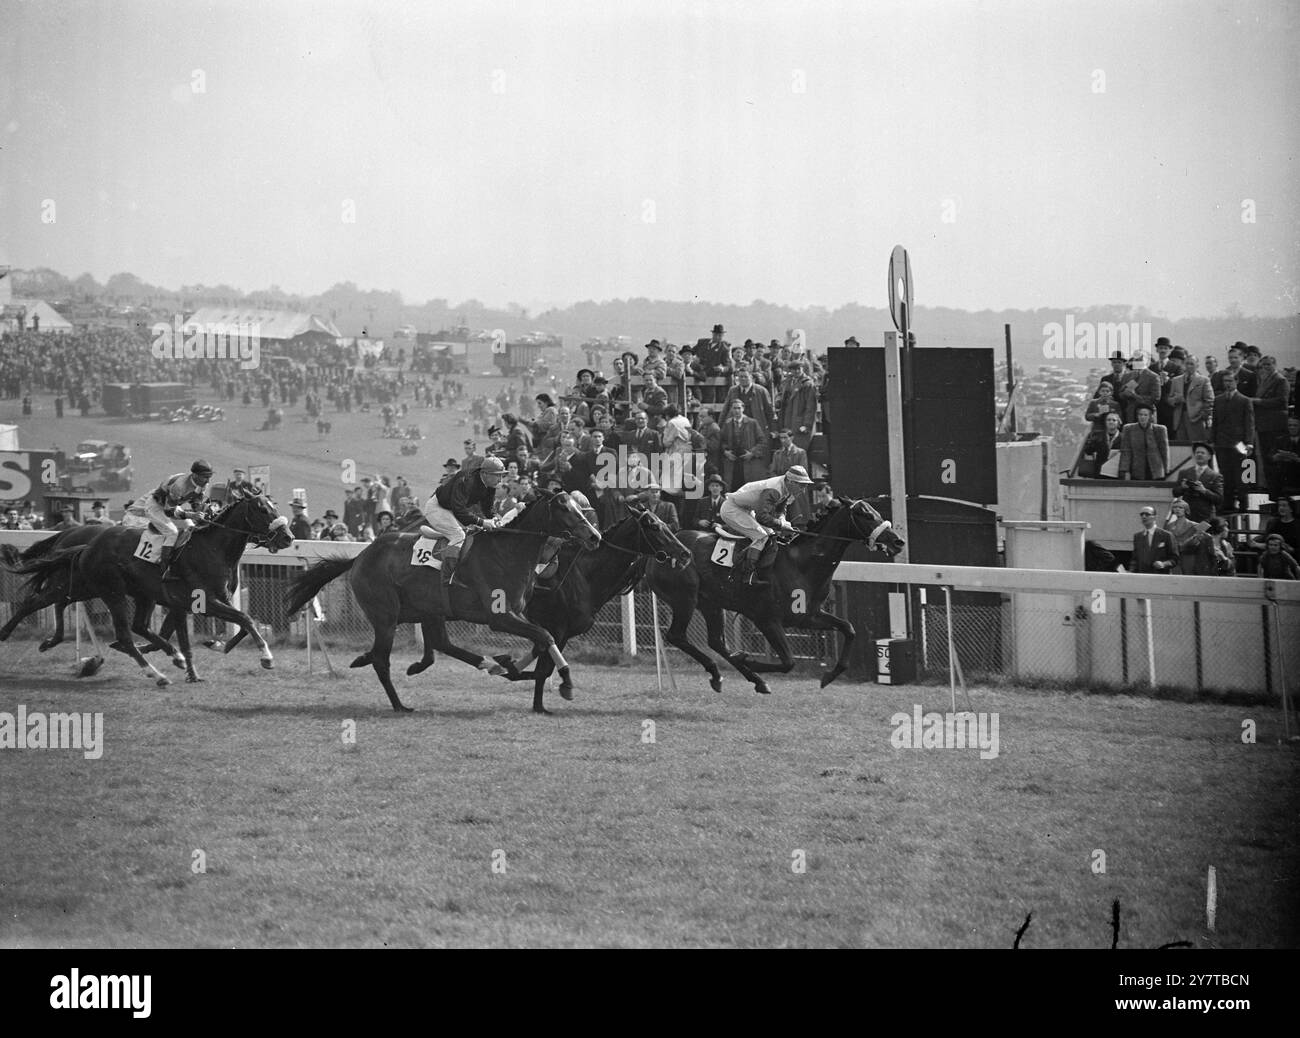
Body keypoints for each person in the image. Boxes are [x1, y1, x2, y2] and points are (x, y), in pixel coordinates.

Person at [718, 465, 814, 585]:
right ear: (790, 481)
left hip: (746, 509)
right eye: (801, 485)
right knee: (761, 536)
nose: (803, 490)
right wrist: (781, 525)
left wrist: (783, 522)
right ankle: (748, 574)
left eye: (805, 486)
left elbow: (780, 509)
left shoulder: (786, 488)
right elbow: (762, 517)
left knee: (771, 534)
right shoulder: (774, 490)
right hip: (732, 509)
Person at [123, 459, 214, 580]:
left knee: (190, 526)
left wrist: (202, 509)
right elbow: (169, 512)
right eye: (205, 477)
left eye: (209, 477)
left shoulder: (202, 483)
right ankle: (165, 569)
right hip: (156, 507)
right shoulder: (179, 486)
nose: (208, 480)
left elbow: (196, 500)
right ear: (195, 475)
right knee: (172, 532)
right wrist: (192, 515)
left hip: (171, 506)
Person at [1212, 371, 1256, 513]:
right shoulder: (1218, 400)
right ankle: (1228, 504)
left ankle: (1244, 504)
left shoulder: (1244, 400)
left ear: (1236, 382)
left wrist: (1249, 442)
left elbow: (1249, 423)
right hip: (1222, 442)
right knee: (1225, 474)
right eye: (1225, 381)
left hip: (1239, 443)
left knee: (1242, 474)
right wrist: (1213, 440)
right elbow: (1215, 422)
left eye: (1230, 381)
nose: (1228, 383)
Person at [1171, 443, 1223, 522]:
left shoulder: (1215, 476)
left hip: (1206, 516)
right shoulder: (1184, 473)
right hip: (1187, 515)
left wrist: (1204, 491)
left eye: (1202, 453)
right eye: (1197, 453)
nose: (1199, 455)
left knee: (1204, 534)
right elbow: (1175, 493)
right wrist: (1183, 488)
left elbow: (1218, 499)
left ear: (1209, 456)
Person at [1118, 405, 1170, 480]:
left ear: (1150, 416)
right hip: (1136, 469)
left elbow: (1164, 451)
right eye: (1140, 415)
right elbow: (1126, 450)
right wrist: (1124, 470)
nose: (1142, 417)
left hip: (1156, 468)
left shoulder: (1160, 429)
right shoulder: (1129, 428)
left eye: (1145, 415)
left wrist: (1166, 469)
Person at [1130, 505, 1179, 573]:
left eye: (1147, 514)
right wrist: (1131, 572)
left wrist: (1163, 564)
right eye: (1142, 514)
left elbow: (1175, 559)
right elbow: (1135, 559)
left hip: (1160, 576)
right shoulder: (1137, 536)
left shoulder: (1166, 535)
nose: (1144, 516)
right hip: (1142, 577)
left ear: (1155, 517)